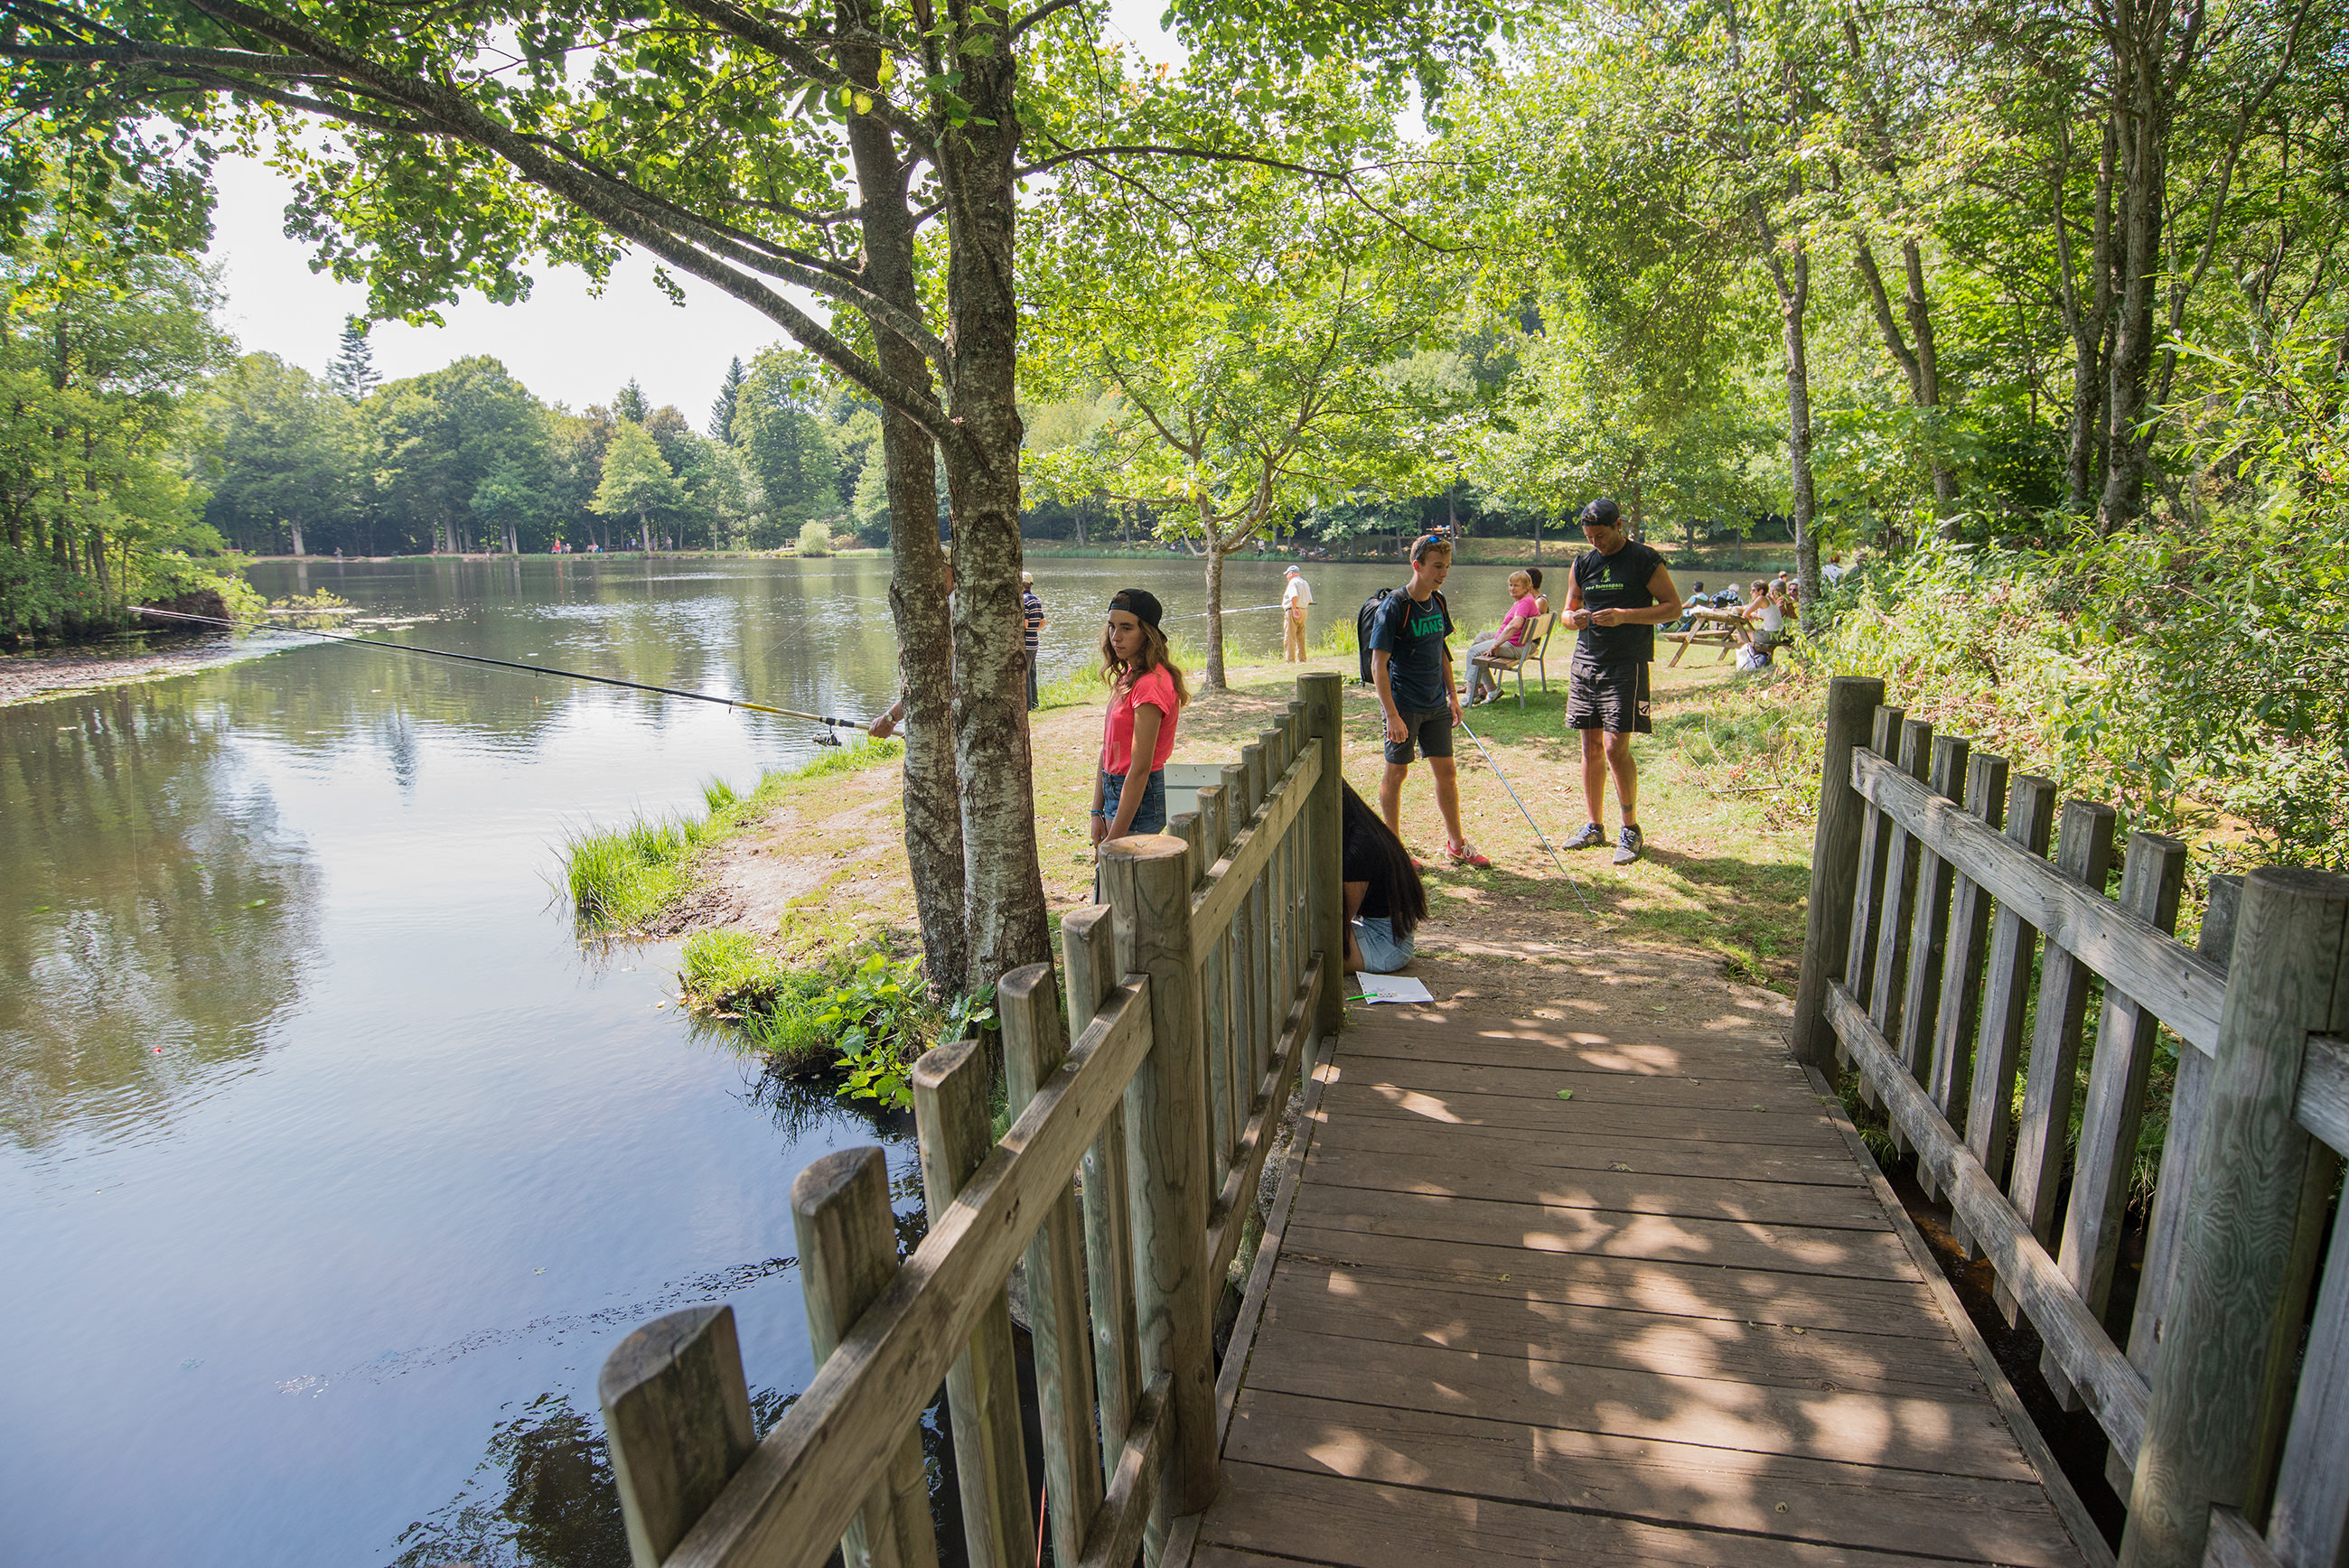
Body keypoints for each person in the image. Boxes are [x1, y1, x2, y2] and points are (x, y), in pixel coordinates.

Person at [1561, 498, 1679, 865]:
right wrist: (1573, 618)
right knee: (1590, 746)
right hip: (1586, 663)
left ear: (1619, 526)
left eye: (1601, 535)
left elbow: (1673, 607)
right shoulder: (1583, 562)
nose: (1596, 543)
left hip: (1626, 664)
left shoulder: (1645, 559)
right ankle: (1594, 825)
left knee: (1615, 747)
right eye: (1590, 536)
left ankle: (1631, 828)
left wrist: (1625, 616)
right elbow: (1566, 611)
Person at [1368, 534, 1487, 867]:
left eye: (1447, 567)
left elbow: (1442, 653)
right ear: (1416, 565)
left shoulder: (1439, 601)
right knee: (1397, 774)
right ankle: (1394, 850)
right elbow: (1378, 664)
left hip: (1436, 704)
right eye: (1437, 566)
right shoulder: (1395, 605)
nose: (1443, 573)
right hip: (1404, 705)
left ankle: (1456, 844)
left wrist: (1453, 695)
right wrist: (1391, 715)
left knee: (1447, 772)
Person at [1093, 587, 1187, 845]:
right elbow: (1108, 747)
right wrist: (1096, 811)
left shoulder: (1150, 685)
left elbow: (1140, 768)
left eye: (1126, 628)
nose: (1115, 636)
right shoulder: (1129, 677)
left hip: (1138, 797)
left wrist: (1114, 840)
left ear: (1147, 634)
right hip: (1116, 790)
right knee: (1111, 881)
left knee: (1121, 880)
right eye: (1111, 626)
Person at [1342, 779, 1427, 973]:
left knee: (1304, 954)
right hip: (1385, 931)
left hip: (1387, 945)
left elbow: (1339, 920)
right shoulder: (1362, 827)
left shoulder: (1358, 848)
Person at [1463, 569, 1542, 705]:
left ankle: (1471, 694)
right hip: (1521, 642)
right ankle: (1489, 689)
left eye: (1516, 585)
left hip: (1517, 647)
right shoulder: (1525, 600)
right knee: (1481, 637)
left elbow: (1515, 625)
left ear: (1526, 587)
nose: (1512, 588)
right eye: (1510, 585)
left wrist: (1495, 645)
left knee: (1474, 652)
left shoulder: (1524, 603)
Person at [1021, 570, 1047, 710]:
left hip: (1026, 643)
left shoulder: (1023, 601)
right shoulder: (1036, 599)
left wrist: (1026, 631)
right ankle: (1035, 703)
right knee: (1032, 673)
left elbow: (1024, 624)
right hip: (1035, 642)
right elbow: (1043, 622)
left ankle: (1028, 706)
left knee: (1025, 675)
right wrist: (1033, 631)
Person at [1281, 565, 1313, 662]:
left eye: (1287, 574)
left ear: (1291, 573)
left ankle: (1290, 660)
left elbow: (1294, 596)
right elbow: (1310, 600)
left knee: (1289, 636)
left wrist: (1294, 608)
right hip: (1304, 611)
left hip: (1293, 611)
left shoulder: (1292, 582)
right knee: (1301, 636)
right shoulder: (1305, 583)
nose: (1287, 577)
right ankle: (1302, 659)